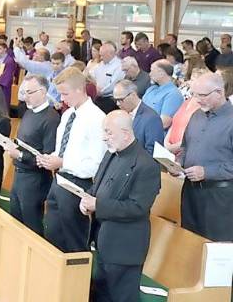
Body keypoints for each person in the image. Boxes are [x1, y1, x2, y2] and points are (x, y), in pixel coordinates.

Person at [80, 110, 160, 302]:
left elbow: (137, 208)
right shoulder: (111, 155)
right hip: (103, 241)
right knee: (102, 295)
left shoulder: (146, 165)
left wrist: (98, 205)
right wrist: (87, 198)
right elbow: (97, 187)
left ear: (125, 133)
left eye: (108, 132)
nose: (103, 138)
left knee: (121, 297)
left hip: (125, 247)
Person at [37, 67, 107, 253]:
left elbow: (96, 163)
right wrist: (50, 158)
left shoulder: (97, 118)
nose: (62, 99)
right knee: (52, 235)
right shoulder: (68, 114)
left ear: (79, 90)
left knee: (74, 239)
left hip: (79, 183)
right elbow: (63, 149)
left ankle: (77, 281)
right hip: (59, 179)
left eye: (65, 93)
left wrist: (62, 163)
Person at [175, 73, 233, 241]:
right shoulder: (196, 115)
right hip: (190, 192)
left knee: (216, 249)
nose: (197, 100)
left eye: (202, 95)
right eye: (194, 94)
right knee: (190, 242)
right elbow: (186, 146)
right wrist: (178, 164)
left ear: (219, 92)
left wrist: (207, 172)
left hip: (220, 197)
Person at [4, 75, 60, 235]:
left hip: (35, 180)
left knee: (31, 226)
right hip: (19, 175)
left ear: (42, 92)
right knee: (15, 220)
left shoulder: (51, 119)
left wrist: (20, 155)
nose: (25, 96)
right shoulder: (29, 112)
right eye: (24, 92)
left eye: (29, 92)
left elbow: (47, 157)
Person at [112, 80, 164, 154]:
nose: (117, 104)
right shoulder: (120, 115)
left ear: (133, 95)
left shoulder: (151, 118)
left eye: (120, 100)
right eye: (115, 100)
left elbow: (152, 152)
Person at [142, 59, 184, 130]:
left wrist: (141, 125)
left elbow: (164, 123)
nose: (150, 74)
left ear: (161, 73)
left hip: (156, 136)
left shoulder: (173, 94)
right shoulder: (151, 89)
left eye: (152, 70)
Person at [91, 42, 124, 113]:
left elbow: (114, 84)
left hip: (110, 99)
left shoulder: (119, 65)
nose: (101, 58)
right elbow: (92, 75)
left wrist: (100, 92)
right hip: (98, 97)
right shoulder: (101, 64)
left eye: (103, 55)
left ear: (111, 54)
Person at [0, 42, 17, 106]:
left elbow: (8, 73)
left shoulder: (10, 60)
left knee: (4, 103)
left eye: (0, 49)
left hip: (4, 86)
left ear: (5, 49)